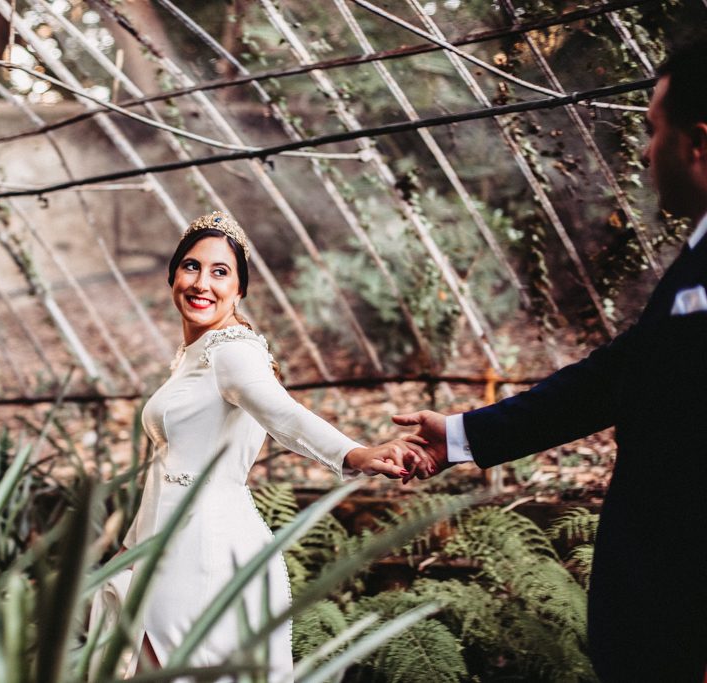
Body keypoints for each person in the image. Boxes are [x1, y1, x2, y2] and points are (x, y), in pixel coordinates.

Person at [394, 42, 707, 682]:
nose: (645, 153)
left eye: (653, 131)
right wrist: (463, 434)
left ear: (698, 144)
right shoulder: (693, 268)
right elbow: (616, 377)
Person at [96, 211, 423, 679]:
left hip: (203, 550)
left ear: (240, 290)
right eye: (191, 267)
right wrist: (130, 547)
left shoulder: (233, 351)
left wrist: (355, 454)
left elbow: (283, 414)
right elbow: (167, 468)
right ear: (172, 276)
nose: (201, 283)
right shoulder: (194, 354)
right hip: (167, 544)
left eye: (220, 272)